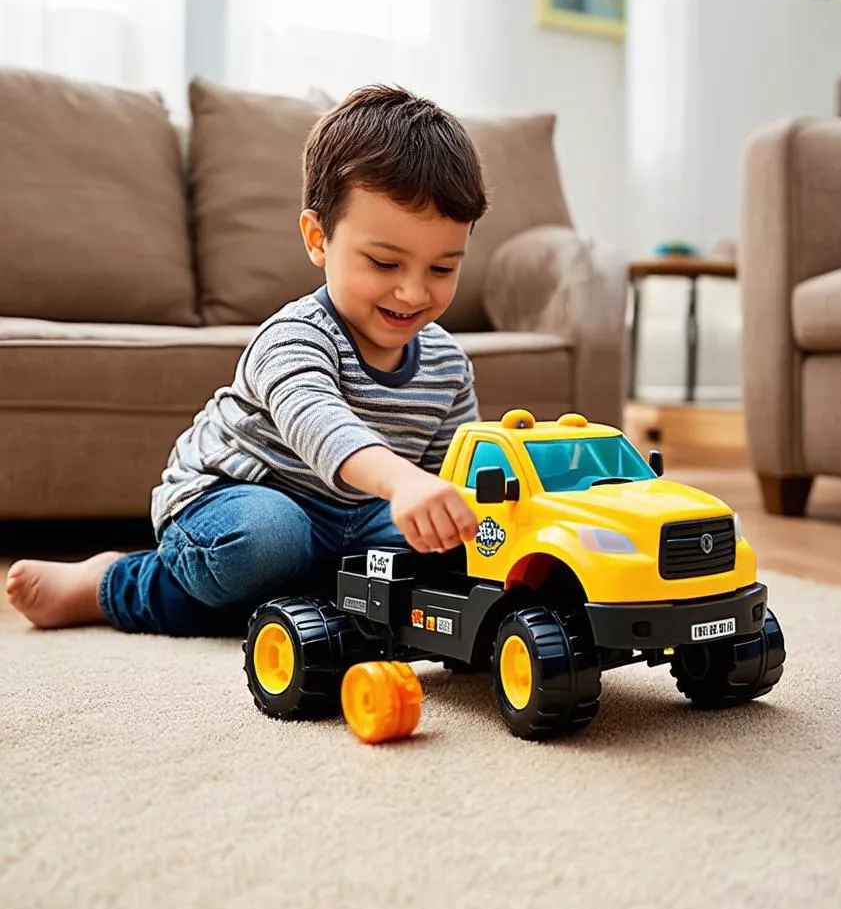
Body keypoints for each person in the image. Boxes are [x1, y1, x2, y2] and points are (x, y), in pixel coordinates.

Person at [6, 84, 487, 636]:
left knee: (443, 557)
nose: (412, 292)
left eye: (443, 269)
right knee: (266, 542)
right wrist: (403, 483)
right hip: (235, 503)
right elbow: (319, 422)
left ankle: (316, 590)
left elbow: (450, 472)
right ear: (318, 239)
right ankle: (112, 583)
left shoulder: (447, 365)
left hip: (355, 520)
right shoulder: (293, 337)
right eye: (384, 263)